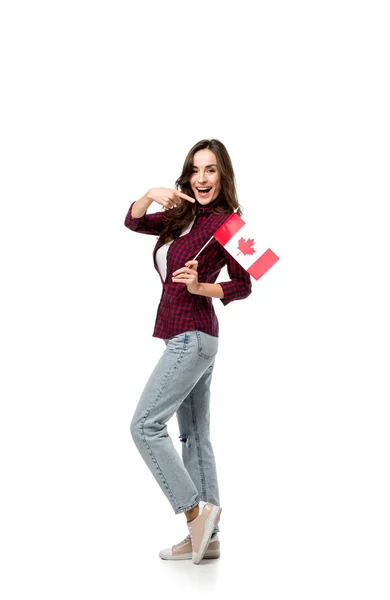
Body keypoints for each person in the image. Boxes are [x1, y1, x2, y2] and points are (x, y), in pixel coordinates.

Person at [124, 138, 252, 564]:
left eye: (211, 170)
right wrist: (148, 195)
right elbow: (133, 222)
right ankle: (208, 538)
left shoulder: (227, 223)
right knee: (194, 435)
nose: (201, 178)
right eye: (196, 170)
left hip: (193, 336)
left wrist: (202, 286)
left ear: (222, 175)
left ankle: (196, 514)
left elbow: (248, 280)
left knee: (144, 426)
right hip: (190, 338)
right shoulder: (181, 215)